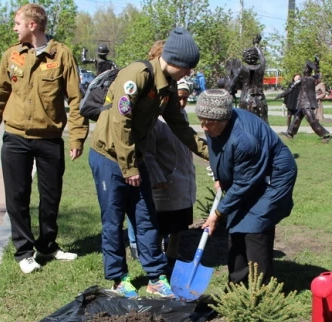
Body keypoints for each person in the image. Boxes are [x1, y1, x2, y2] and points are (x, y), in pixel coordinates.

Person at [88, 28, 208, 298]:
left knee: (146, 218)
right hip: (109, 156)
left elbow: (180, 126)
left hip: (135, 157)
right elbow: (121, 122)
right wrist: (129, 167)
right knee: (113, 219)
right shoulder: (137, 75)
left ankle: (155, 276)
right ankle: (119, 279)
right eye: (188, 68)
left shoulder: (167, 87)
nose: (189, 74)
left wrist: (209, 153)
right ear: (175, 60)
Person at [0, 3, 89, 274]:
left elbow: (76, 100)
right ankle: (23, 251)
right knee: (17, 196)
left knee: (51, 196)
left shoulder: (62, 55)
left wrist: (77, 138)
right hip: (16, 137)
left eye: (17, 23)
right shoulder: (12, 55)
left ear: (32, 25)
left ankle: (48, 245)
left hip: (50, 139)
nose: (14, 27)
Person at [197, 89, 297, 284]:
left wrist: (217, 214)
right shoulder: (213, 123)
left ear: (225, 119)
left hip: (274, 176)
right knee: (235, 223)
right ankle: (238, 284)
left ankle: (260, 289)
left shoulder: (244, 140)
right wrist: (220, 177)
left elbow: (243, 184)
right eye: (201, 121)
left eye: (209, 123)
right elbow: (217, 151)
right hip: (250, 173)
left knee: (255, 226)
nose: (205, 127)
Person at [141, 79, 196, 264]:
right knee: (161, 222)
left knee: (180, 220)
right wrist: (157, 176)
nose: (181, 103)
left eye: (185, 99)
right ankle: (155, 257)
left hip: (183, 177)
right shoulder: (156, 120)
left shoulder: (183, 117)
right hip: (164, 179)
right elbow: (147, 153)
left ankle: (173, 252)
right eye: (179, 98)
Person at [281, 59, 330, 141]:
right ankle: (290, 133)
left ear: (307, 70)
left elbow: (290, 89)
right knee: (297, 118)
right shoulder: (313, 78)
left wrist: (281, 95)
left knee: (312, 120)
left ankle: (325, 135)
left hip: (305, 104)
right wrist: (317, 65)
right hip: (304, 103)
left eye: (305, 68)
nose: (303, 69)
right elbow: (318, 73)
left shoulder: (303, 79)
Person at [227, 34, 269, 123]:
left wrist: (231, 91)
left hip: (246, 99)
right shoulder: (261, 67)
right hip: (260, 99)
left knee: (246, 123)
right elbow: (263, 59)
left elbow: (233, 83)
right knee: (263, 122)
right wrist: (257, 45)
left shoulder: (242, 68)